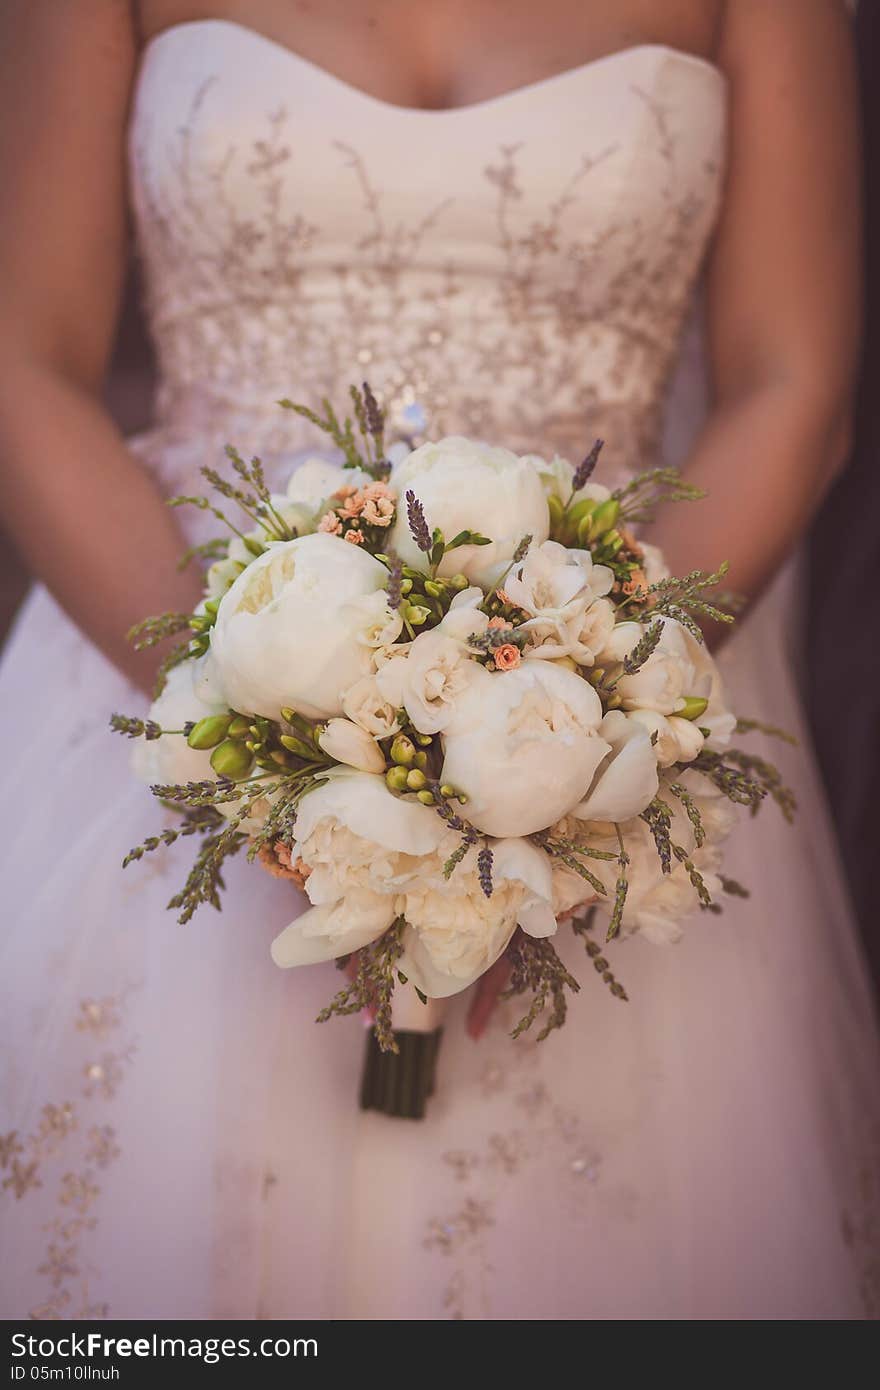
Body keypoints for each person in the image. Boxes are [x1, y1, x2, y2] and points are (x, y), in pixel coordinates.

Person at [1, 0, 877, 1320]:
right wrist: (265, 728)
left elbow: (792, 383)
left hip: (605, 712)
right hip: (154, 676)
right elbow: (24, 363)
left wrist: (585, 728)